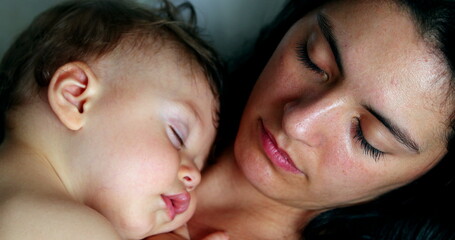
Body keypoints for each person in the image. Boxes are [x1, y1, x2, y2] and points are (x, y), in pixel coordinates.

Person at [152, 0, 454, 239]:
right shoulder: (136, 75)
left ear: (428, 177)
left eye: (366, 136)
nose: (297, 122)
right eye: (313, 59)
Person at [0, 0, 227, 239]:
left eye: (200, 164)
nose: (195, 177)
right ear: (76, 97)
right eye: (177, 135)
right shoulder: (66, 226)